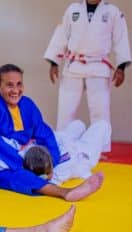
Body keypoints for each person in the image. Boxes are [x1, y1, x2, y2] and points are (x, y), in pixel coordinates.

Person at [0, 63, 103, 201]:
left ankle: (65, 193)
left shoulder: (27, 105)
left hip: (9, 159)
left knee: (21, 178)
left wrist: (51, 163)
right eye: (9, 85)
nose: (15, 90)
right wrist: (18, 162)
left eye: (19, 84)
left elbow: (44, 133)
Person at [43, 0, 131, 152]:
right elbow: (61, 34)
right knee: (65, 110)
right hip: (74, 64)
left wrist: (121, 67)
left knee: (100, 111)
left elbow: (121, 39)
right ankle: (63, 146)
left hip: (99, 65)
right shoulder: (73, 9)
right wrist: (54, 62)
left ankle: (101, 149)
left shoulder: (112, 12)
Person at [23, 119, 111, 185]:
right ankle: (99, 151)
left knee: (78, 124)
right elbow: (71, 151)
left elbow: (55, 136)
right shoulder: (59, 172)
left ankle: (77, 136)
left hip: (66, 145)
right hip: (82, 157)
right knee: (103, 125)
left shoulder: (29, 151)